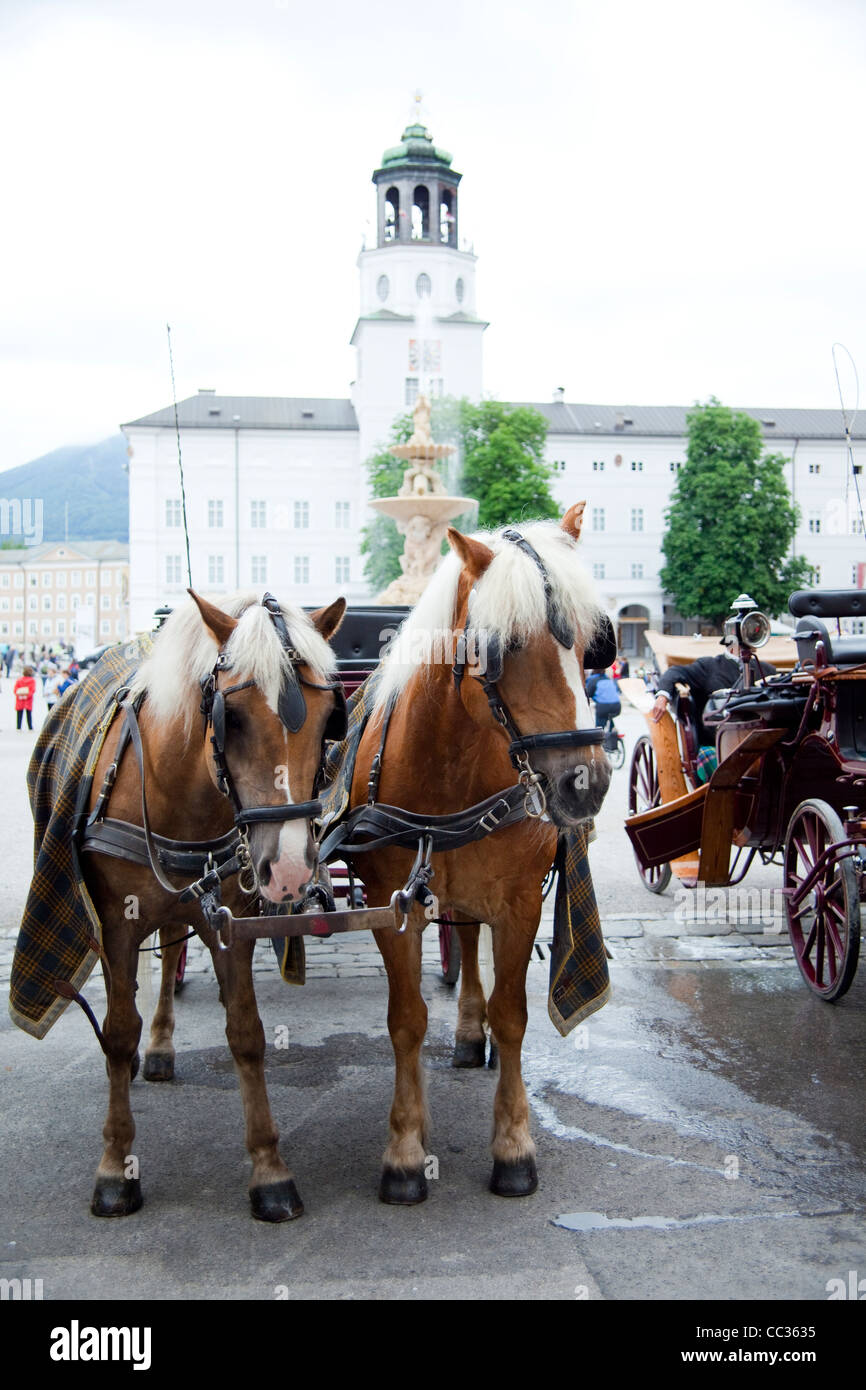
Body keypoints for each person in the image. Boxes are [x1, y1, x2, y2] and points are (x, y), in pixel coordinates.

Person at [650, 651, 777, 744]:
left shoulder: (767, 670)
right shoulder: (709, 666)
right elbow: (675, 672)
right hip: (716, 737)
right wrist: (662, 696)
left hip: (761, 736)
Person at [14, 665, 36, 731]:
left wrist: (20, 695)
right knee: (28, 713)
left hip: (20, 699)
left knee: (19, 713)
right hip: (28, 699)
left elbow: (15, 689)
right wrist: (27, 695)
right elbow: (33, 690)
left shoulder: (19, 680)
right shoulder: (32, 681)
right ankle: (30, 727)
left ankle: (18, 727)